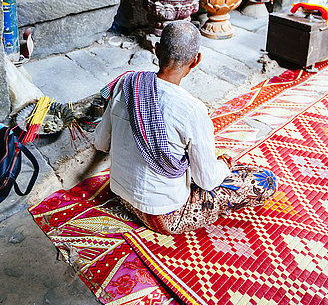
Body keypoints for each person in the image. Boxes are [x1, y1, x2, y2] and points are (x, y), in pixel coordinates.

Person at [94, 21, 277, 235]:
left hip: (121, 197)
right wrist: (224, 166)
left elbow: (100, 142)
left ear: (157, 50)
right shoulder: (192, 109)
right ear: (196, 60)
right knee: (264, 180)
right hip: (164, 215)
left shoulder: (126, 83)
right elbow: (206, 181)